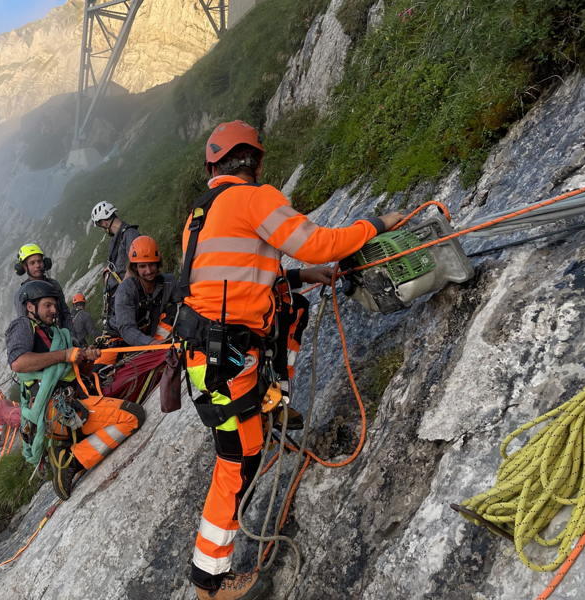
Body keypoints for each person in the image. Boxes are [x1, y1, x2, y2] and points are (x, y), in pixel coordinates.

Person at [177, 120, 405, 600]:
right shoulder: (254, 198)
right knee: (238, 461)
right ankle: (209, 580)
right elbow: (318, 240)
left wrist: (300, 276)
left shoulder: (199, 215)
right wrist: (376, 226)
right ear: (255, 161)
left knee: (292, 309)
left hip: (210, 352)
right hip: (229, 353)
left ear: (214, 165)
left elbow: (235, 278)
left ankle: (274, 402)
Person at [6, 280, 145, 500]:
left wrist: (88, 358)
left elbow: (75, 370)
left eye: (54, 305)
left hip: (69, 403)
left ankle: (67, 445)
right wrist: (65, 355)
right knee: (132, 417)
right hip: (59, 409)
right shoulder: (23, 325)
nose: (54, 310)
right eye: (47, 306)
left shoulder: (55, 332)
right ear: (30, 307)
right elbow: (18, 362)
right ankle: (70, 460)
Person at [110, 236, 182, 346]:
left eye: (151, 264)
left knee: (179, 310)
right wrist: (150, 342)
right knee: (100, 364)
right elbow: (126, 328)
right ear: (135, 268)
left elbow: (185, 305)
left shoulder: (169, 283)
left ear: (158, 263)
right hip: (120, 339)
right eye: (143, 266)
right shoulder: (126, 290)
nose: (148, 271)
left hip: (151, 334)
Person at [91, 201, 140, 324]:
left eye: (101, 227)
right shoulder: (116, 239)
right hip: (117, 297)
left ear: (104, 223)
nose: (103, 230)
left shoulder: (130, 234)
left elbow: (135, 264)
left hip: (126, 295)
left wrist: (121, 290)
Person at [13, 243, 71, 329]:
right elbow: (25, 325)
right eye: (32, 263)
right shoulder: (22, 294)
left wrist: (71, 336)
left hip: (63, 336)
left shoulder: (54, 284)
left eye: (39, 261)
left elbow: (65, 312)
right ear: (24, 267)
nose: (37, 266)